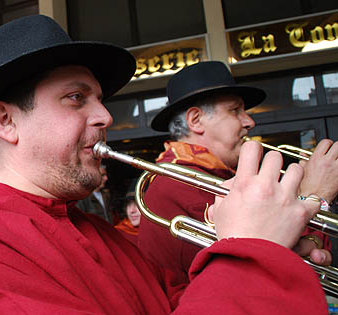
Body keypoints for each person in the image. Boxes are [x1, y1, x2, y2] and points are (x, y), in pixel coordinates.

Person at [0, 15, 328, 315]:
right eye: (75, 98)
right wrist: (250, 252)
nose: (104, 115)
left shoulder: (98, 232)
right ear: (7, 122)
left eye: (99, 100)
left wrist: (275, 247)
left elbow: (180, 309)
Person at [138, 61, 337, 287]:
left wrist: (310, 238)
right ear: (196, 120)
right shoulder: (177, 184)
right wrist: (313, 196)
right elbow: (248, 275)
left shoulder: (215, 175)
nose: (249, 121)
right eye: (235, 110)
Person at [114, 179, 140, 244]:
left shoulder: (158, 232)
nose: (132, 210)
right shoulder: (118, 233)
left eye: (137, 204)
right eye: (129, 204)